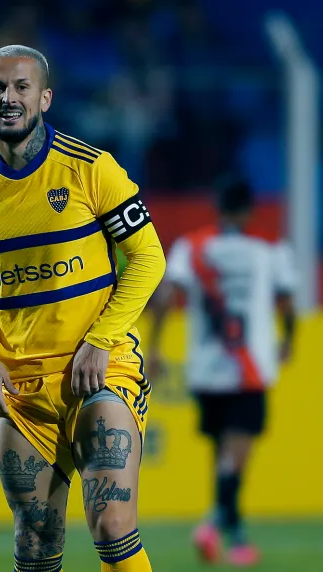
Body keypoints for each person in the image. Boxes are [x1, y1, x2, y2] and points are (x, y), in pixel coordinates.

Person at [0, 45, 165, 572]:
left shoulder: (92, 170)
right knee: (35, 541)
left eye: (22, 87)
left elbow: (148, 258)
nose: (9, 97)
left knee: (112, 524)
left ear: (44, 97)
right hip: (22, 389)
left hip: (100, 372)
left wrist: (101, 339)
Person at [146, 177, 295, 567]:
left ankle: (239, 539)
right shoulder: (268, 250)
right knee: (237, 456)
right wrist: (288, 339)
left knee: (223, 454)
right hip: (248, 368)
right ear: (248, 211)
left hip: (207, 370)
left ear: (218, 208)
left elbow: (164, 296)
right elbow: (287, 301)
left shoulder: (192, 248)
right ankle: (212, 524)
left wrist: (155, 346)